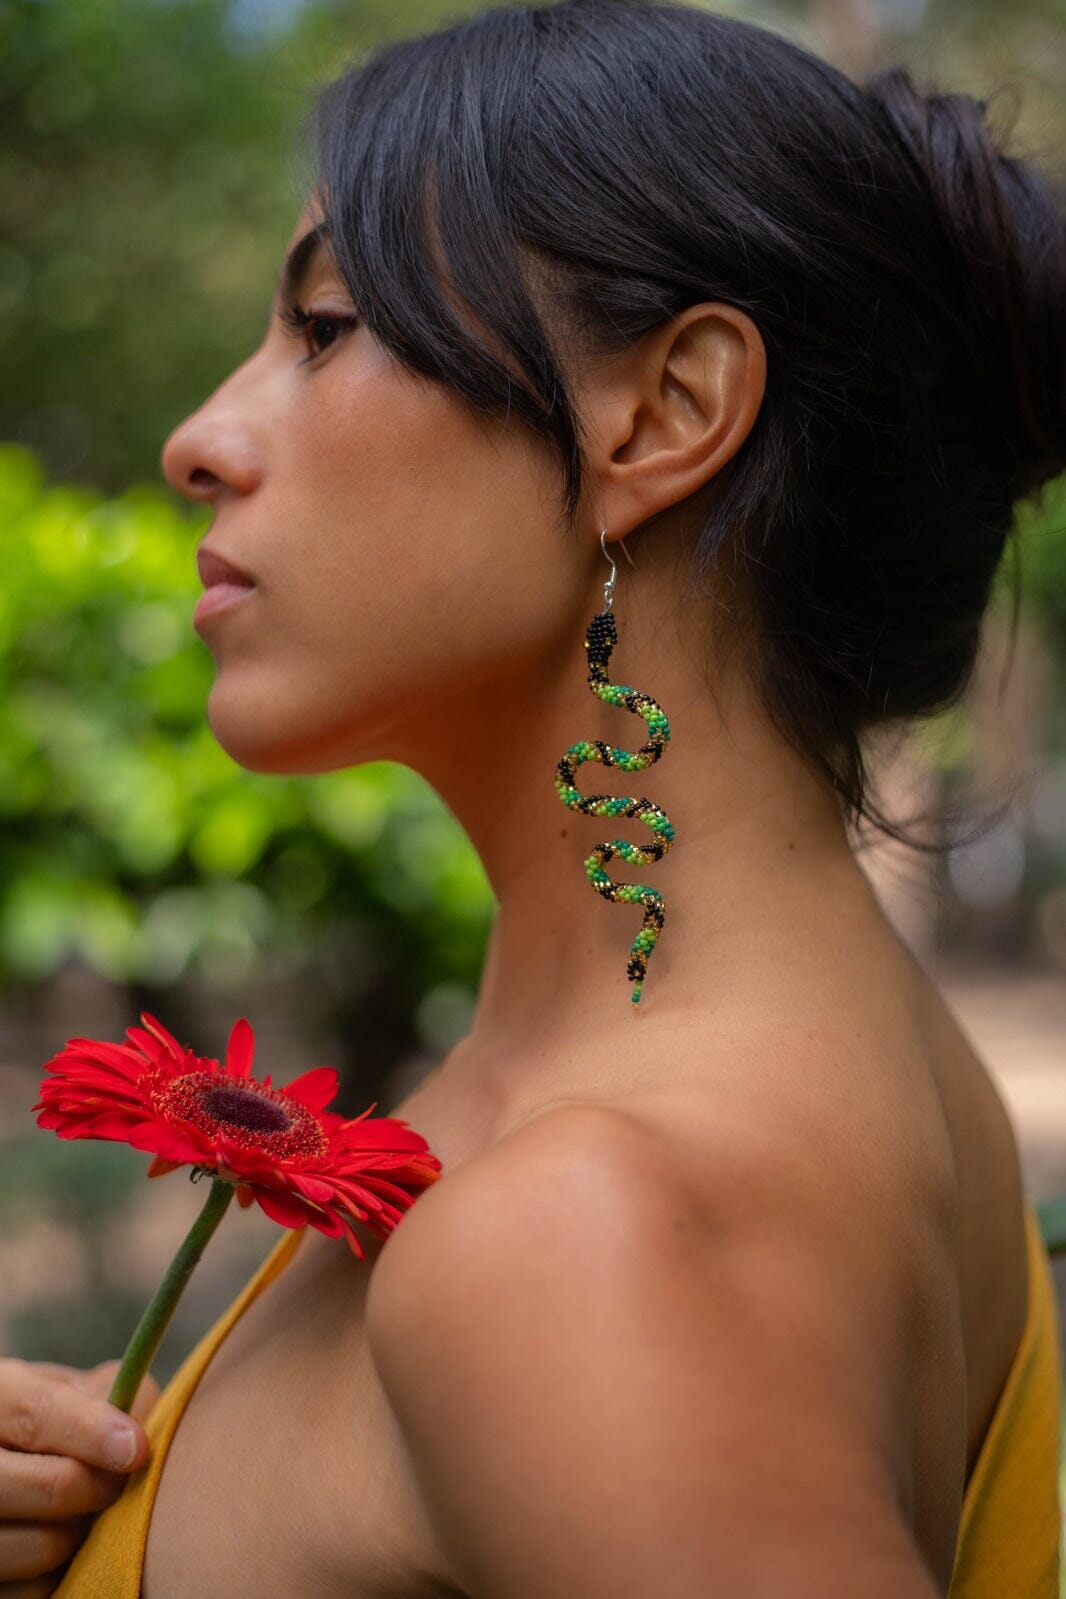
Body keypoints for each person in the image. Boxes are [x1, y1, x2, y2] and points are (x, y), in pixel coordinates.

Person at [4, 0, 1064, 1593]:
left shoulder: (582, 1235)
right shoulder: (874, 1071)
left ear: (661, 413)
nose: (198, 440)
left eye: (325, 328)